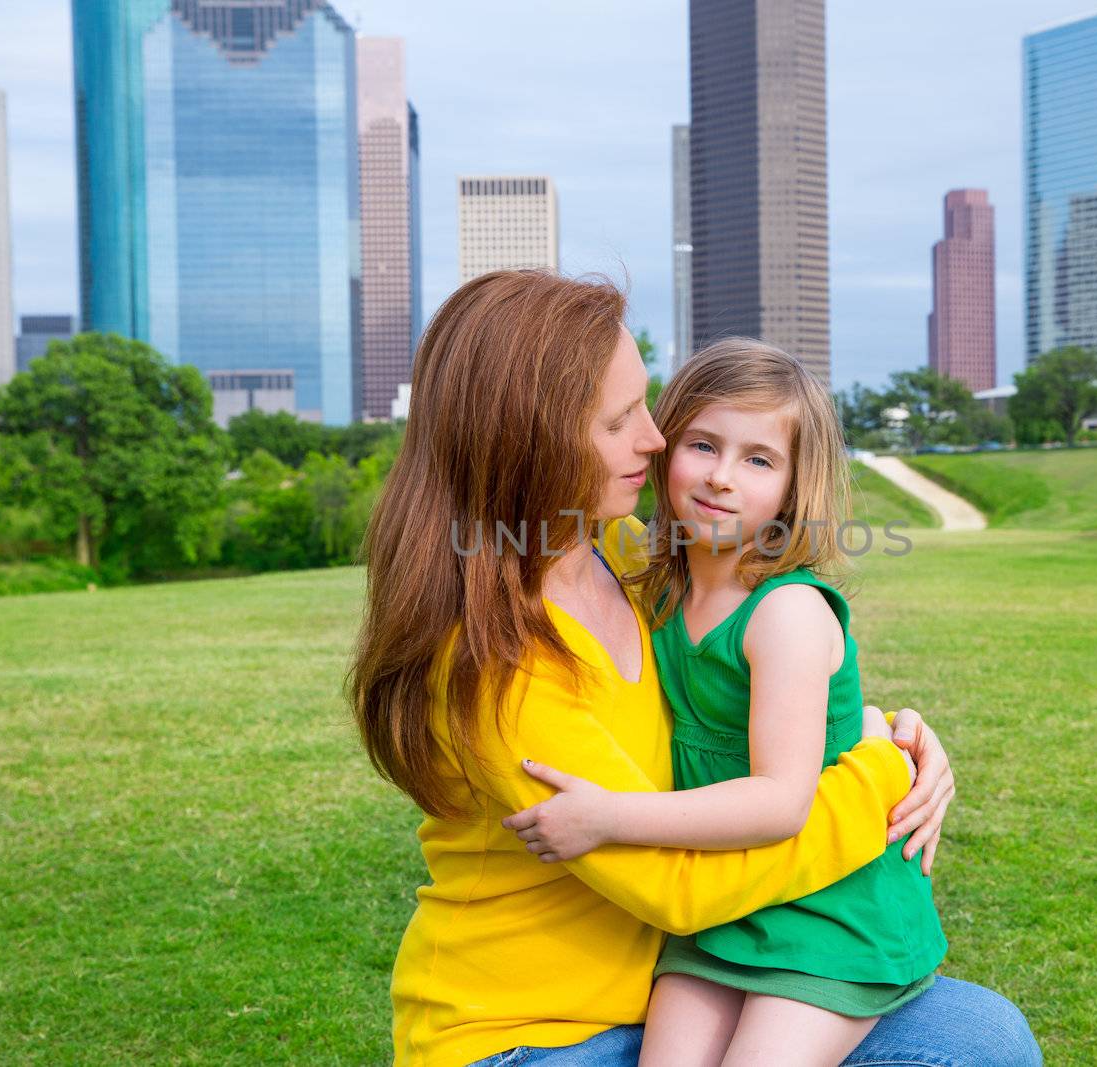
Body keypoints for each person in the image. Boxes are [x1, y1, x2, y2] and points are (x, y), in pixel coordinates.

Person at [348, 270, 1040, 1067]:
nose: (656, 439)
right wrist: (880, 775)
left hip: (694, 970)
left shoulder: (625, 556)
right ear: (529, 442)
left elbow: (738, 695)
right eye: (621, 420)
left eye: (648, 405)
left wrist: (883, 725)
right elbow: (684, 884)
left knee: (984, 1038)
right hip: (532, 1035)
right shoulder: (491, 669)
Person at [501, 339, 948, 1066]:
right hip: (724, 907)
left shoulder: (787, 612)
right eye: (703, 444)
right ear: (664, 444)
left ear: (795, 487)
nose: (721, 477)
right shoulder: (654, 581)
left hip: (828, 910)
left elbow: (780, 800)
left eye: (759, 460)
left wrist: (608, 815)